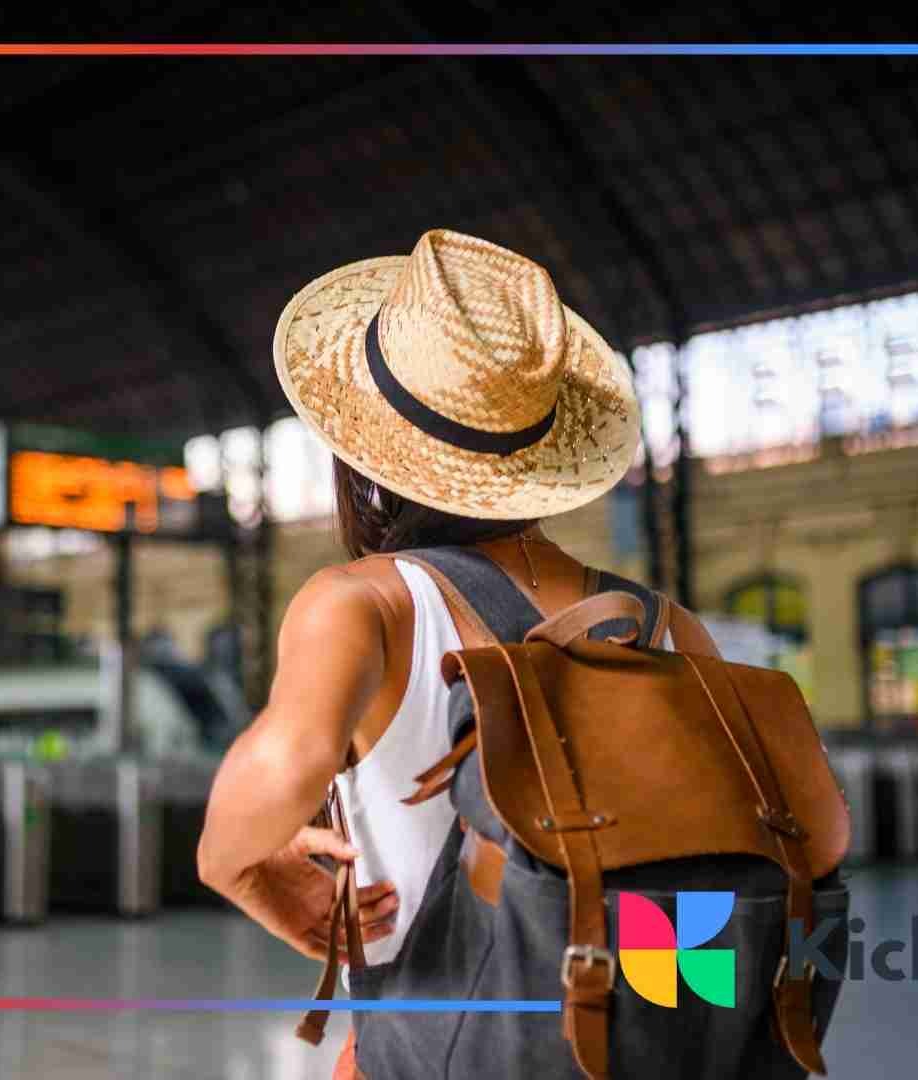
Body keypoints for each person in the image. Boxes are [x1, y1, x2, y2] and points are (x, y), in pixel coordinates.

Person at [198, 229, 676, 1078]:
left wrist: (249, 871)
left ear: (360, 444)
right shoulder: (659, 622)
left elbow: (271, 788)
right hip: (640, 1039)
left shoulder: (365, 604)